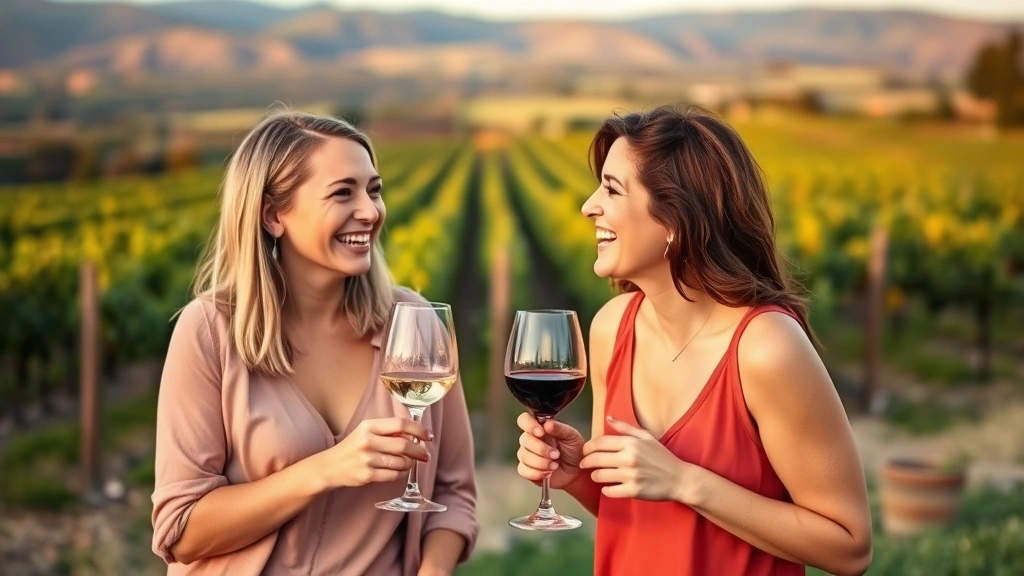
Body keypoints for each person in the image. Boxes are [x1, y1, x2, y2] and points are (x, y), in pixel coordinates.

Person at [514, 105, 872, 576]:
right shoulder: (611, 328)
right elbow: (637, 511)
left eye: (612, 189)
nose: (588, 205)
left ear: (675, 220)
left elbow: (849, 548)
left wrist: (686, 480)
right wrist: (577, 475)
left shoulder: (765, 348)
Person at [151, 110, 478, 576]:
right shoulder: (209, 331)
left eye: (374, 189)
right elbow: (180, 531)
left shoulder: (414, 323)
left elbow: (453, 493)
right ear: (272, 214)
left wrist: (433, 571)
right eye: (343, 192)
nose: (370, 210)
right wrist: (325, 470)